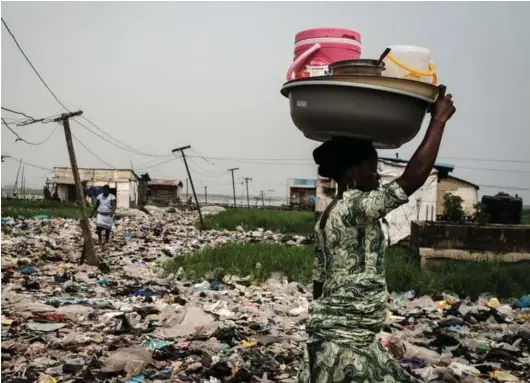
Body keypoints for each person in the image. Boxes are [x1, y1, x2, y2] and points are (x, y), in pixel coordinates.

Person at [298, 85, 456, 383]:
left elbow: (319, 281)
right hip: (345, 342)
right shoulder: (356, 206)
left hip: (346, 337)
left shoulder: (329, 214)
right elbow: (411, 179)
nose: (378, 176)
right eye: (373, 170)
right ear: (353, 173)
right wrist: (438, 122)